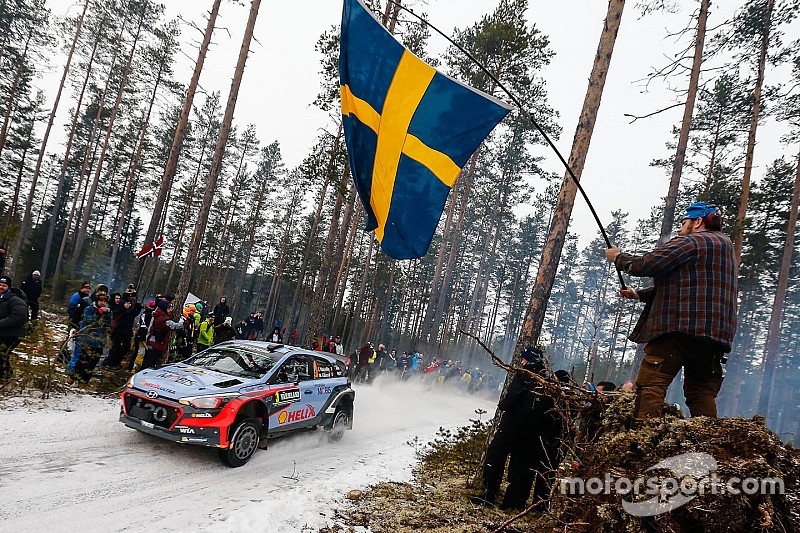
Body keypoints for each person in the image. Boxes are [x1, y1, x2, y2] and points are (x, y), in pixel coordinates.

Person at [605, 201, 738, 422]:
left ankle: (643, 439)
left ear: (697, 222)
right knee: (701, 393)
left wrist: (619, 258)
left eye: (684, 222)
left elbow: (648, 264)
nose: (679, 229)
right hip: (715, 337)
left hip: (678, 329)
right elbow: (688, 286)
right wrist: (639, 295)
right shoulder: (725, 248)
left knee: (651, 385)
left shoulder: (693, 241)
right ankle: (708, 443)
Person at [473, 346, 564, 510]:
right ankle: (512, 503)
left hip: (510, 428)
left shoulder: (524, 375)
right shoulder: (545, 380)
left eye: (523, 358)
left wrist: (503, 405)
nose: (521, 361)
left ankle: (488, 495)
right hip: (530, 434)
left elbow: (511, 398)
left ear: (528, 360)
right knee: (521, 468)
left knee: (495, 459)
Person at [67, 293, 112, 384]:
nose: (103, 303)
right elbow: (88, 321)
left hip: (99, 340)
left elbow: (109, 325)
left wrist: (106, 318)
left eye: (104, 301)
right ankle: (72, 378)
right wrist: (98, 314)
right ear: (97, 301)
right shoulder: (89, 309)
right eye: (101, 301)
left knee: (93, 362)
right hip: (86, 339)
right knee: (82, 360)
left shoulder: (108, 312)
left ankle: (84, 381)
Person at [0, 276, 29, 381]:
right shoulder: (2, 298)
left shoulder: (15, 300)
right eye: (0, 284)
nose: (1, 287)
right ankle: (6, 376)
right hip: (3, 332)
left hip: (12, 334)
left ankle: (5, 377)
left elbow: (19, 317)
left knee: (2, 355)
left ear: (8, 287)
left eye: (4, 285)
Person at [142, 300, 185, 369]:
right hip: (155, 344)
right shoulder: (162, 319)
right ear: (164, 309)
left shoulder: (157, 315)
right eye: (169, 308)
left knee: (147, 362)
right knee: (150, 364)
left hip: (152, 343)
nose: (171, 310)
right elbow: (173, 326)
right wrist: (184, 324)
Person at [103, 291, 141, 368]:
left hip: (126, 329)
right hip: (120, 329)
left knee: (123, 347)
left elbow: (131, 315)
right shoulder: (122, 303)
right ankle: (111, 363)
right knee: (117, 347)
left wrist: (137, 309)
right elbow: (123, 314)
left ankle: (114, 362)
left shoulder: (129, 303)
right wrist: (128, 308)